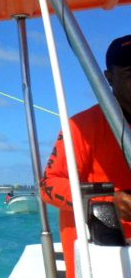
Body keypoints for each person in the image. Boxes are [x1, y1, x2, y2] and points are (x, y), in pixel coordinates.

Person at [40, 34, 131, 278]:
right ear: (109, 78)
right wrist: (110, 201)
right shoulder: (82, 126)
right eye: (130, 73)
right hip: (100, 262)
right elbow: (48, 185)